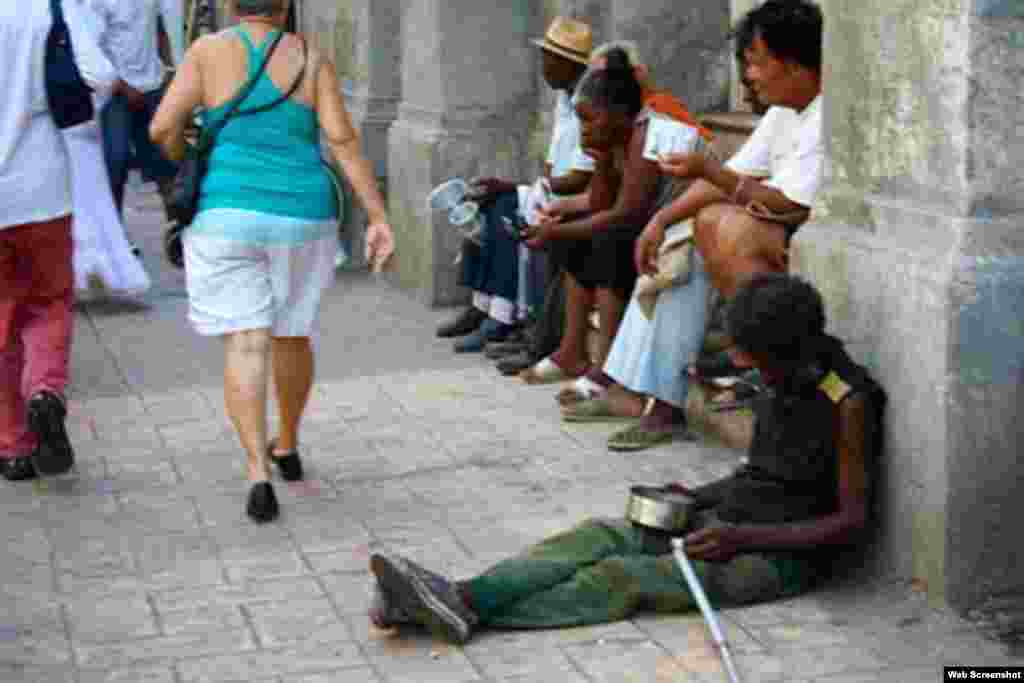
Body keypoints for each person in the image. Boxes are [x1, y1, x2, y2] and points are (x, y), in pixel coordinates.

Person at [369, 274, 885, 645]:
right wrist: (696, 498)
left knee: (623, 576)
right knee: (599, 536)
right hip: (732, 524)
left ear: (788, 351)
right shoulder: (782, 373)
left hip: (779, 560)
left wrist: (741, 538)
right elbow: (765, 477)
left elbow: (849, 522)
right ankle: (460, 597)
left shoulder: (847, 401)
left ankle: (453, 610)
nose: (744, 368)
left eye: (753, 360)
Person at [150, 0, 395, 523]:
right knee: (292, 332)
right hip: (302, 217)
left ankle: (257, 470)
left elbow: (160, 127)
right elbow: (343, 142)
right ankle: (288, 444)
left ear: (233, 4)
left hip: (226, 216)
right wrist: (378, 217)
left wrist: (181, 152)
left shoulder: (207, 51)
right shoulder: (310, 58)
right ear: (285, 4)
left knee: (246, 340)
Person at [560, 0, 824, 451]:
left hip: (793, 238)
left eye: (756, 63)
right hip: (764, 231)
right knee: (679, 240)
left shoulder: (824, 114)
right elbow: (732, 176)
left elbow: (786, 204)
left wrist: (708, 173)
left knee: (714, 226)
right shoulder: (782, 113)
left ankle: (751, 356)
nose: (750, 78)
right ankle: (656, 397)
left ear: (793, 61)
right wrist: (661, 220)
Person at [517, 47, 709, 389]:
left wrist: (557, 233)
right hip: (648, 227)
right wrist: (602, 160)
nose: (584, 130)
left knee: (606, 240)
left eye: (590, 119)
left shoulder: (651, 133)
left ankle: (606, 367)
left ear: (619, 113)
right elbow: (600, 201)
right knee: (575, 238)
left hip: (684, 232)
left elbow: (625, 215)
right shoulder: (620, 135)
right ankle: (571, 352)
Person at [1, 0, 116, 481]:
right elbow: (99, 75)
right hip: (41, 186)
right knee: (48, 302)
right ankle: (45, 392)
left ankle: (14, 447)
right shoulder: (44, 5)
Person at [436, 17, 594, 354]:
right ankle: (481, 306)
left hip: (575, 198)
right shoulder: (564, 101)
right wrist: (520, 186)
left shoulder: (586, 104)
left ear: (568, 64)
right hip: (554, 191)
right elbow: (552, 168)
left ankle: (502, 316)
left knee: (504, 208)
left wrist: (523, 190)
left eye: (548, 59)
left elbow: (582, 177)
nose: (543, 67)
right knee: (485, 202)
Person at [65, 0, 152, 301]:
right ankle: (91, 270)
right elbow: (97, 70)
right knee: (89, 202)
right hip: (70, 126)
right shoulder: (59, 11)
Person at [87, 0, 181, 235]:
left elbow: (160, 28)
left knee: (165, 159)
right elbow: (91, 47)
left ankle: (179, 230)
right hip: (115, 90)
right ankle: (113, 236)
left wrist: (169, 72)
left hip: (152, 85)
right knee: (115, 162)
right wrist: (120, 85)